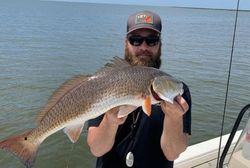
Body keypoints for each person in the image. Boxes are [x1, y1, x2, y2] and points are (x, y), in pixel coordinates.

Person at [87, 10, 191, 168]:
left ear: (159, 44)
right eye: (136, 40)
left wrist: (174, 119)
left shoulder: (177, 94)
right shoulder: (104, 83)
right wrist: (110, 120)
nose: (144, 47)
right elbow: (97, 149)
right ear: (126, 43)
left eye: (151, 40)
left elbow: (172, 153)